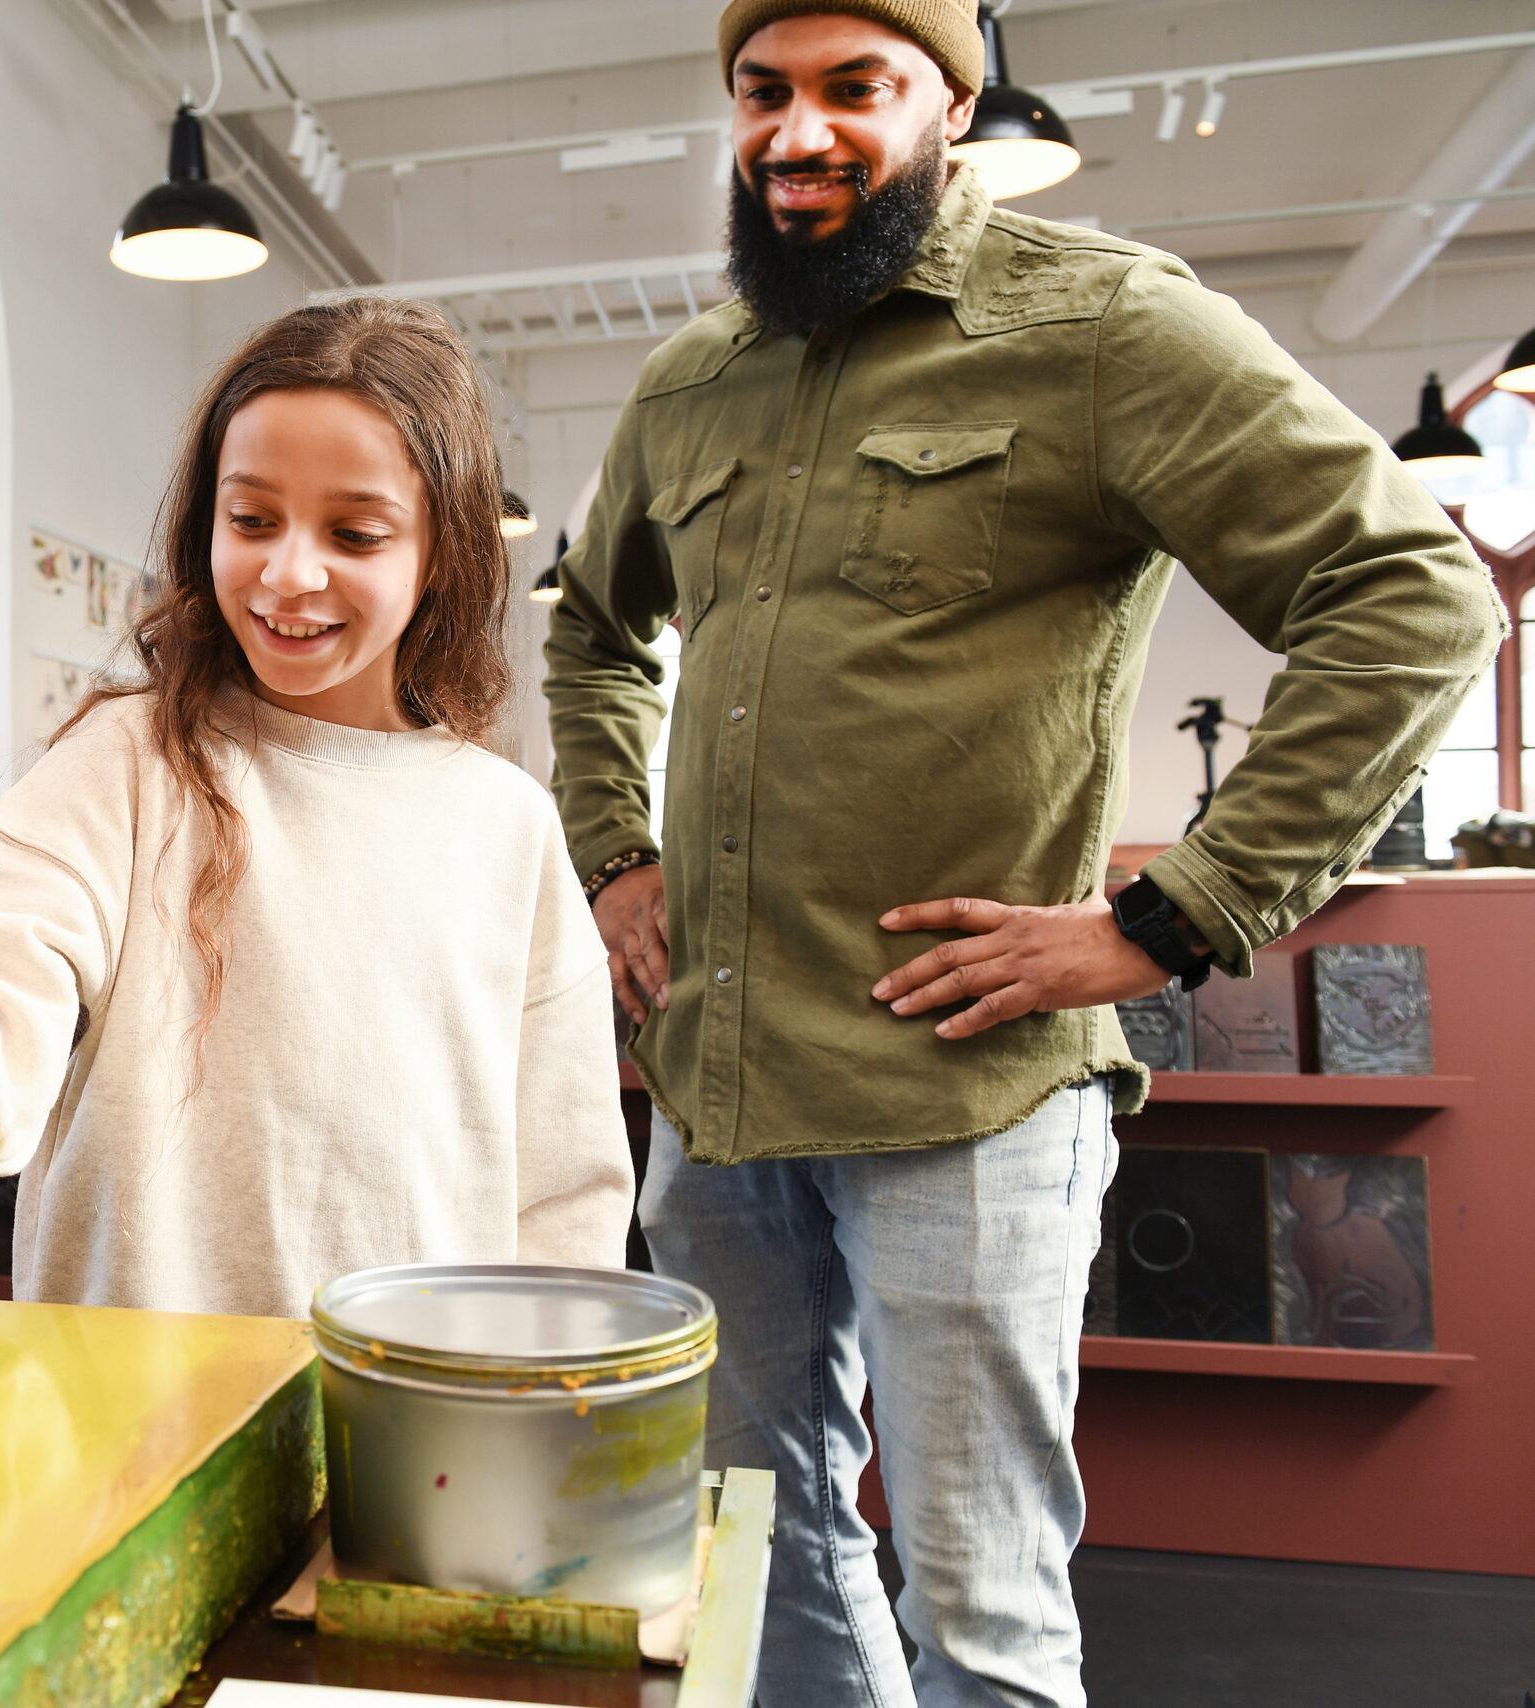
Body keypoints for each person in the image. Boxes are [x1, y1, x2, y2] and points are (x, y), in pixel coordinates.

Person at [542, 2, 1503, 1703]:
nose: (799, 128)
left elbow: (1412, 600)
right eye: (763, 91)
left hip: (967, 1096)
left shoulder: (1098, 325)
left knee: (978, 1617)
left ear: (948, 102)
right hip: (719, 1092)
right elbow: (593, 636)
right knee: (762, 1563)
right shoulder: (689, 379)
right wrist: (617, 854)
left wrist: (1173, 915)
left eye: (856, 86)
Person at [0, 298, 634, 1307]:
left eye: (355, 533)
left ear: (440, 552)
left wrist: (543, 1395)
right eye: (252, 519)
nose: (288, 571)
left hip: (414, 1425)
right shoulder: (131, 762)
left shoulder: (507, 825)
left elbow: (565, 1186)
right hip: (131, 1411)